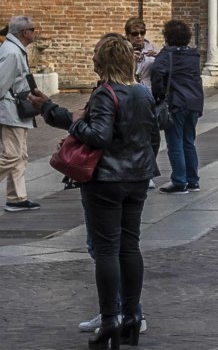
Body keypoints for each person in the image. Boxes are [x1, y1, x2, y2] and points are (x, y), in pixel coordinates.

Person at [33, 34, 159, 348]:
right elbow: (153, 136)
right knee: (130, 247)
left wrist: (76, 122)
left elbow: (98, 135)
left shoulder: (106, 92)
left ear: (103, 62)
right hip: (138, 178)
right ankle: (131, 316)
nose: (91, 61)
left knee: (105, 250)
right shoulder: (142, 93)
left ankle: (109, 321)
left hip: (106, 181)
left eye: (95, 57)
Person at [148, 20, 204, 193]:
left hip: (176, 102)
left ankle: (179, 181)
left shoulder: (167, 55)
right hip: (194, 102)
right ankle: (193, 180)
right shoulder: (193, 54)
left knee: (175, 143)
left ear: (168, 36)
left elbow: (157, 72)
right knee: (189, 141)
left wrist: (159, 94)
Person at [1, 13, 39, 213]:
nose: (35, 32)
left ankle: (17, 198)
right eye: (33, 29)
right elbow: (0, 83)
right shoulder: (12, 53)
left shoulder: (15, 49)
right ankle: (16, 198)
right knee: (12, 155)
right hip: (10, 109)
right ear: (24, 32)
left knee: (20, 155)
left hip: (17, 108)